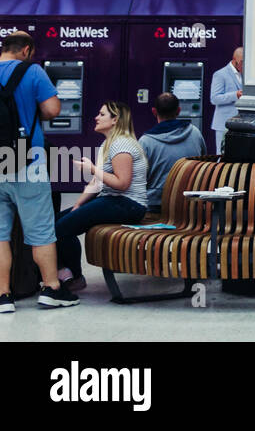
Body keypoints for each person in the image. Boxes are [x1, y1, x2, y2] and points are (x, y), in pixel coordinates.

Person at [0, 31, 76, 311]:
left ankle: (3, 296)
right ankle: (51, 289)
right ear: (27, 50)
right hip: (25, 159)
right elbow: (53, 110)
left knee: (0, 234)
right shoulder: (32, 72)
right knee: (42, 231)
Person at [55, 102, 149, 291]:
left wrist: (92, 169)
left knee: (62, 228)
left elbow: (122, 183)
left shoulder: (121, 144)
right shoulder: (107, 143)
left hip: (128, 204)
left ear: (115, 120)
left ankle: (75, 276)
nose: (96, 117)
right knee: (57, 221)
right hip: (113, 200)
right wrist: (78, 205)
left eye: (102, 114)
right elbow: (97, 183)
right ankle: (62, 273)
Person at [138, 92, 206, 212]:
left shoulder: (145, 141)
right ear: (178, 110)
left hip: (156, 205)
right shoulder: (195, 133)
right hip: (189, 203)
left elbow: (139, 179)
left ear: (154, 111)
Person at [210, 46, 243, 153]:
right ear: (234, 60)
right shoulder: (220, 74)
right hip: (223, 123)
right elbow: (214, 98)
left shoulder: (246, 74)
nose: (244, 65)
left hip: (240, 123)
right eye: (242, 62)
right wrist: (235, 95)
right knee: (222, 154)